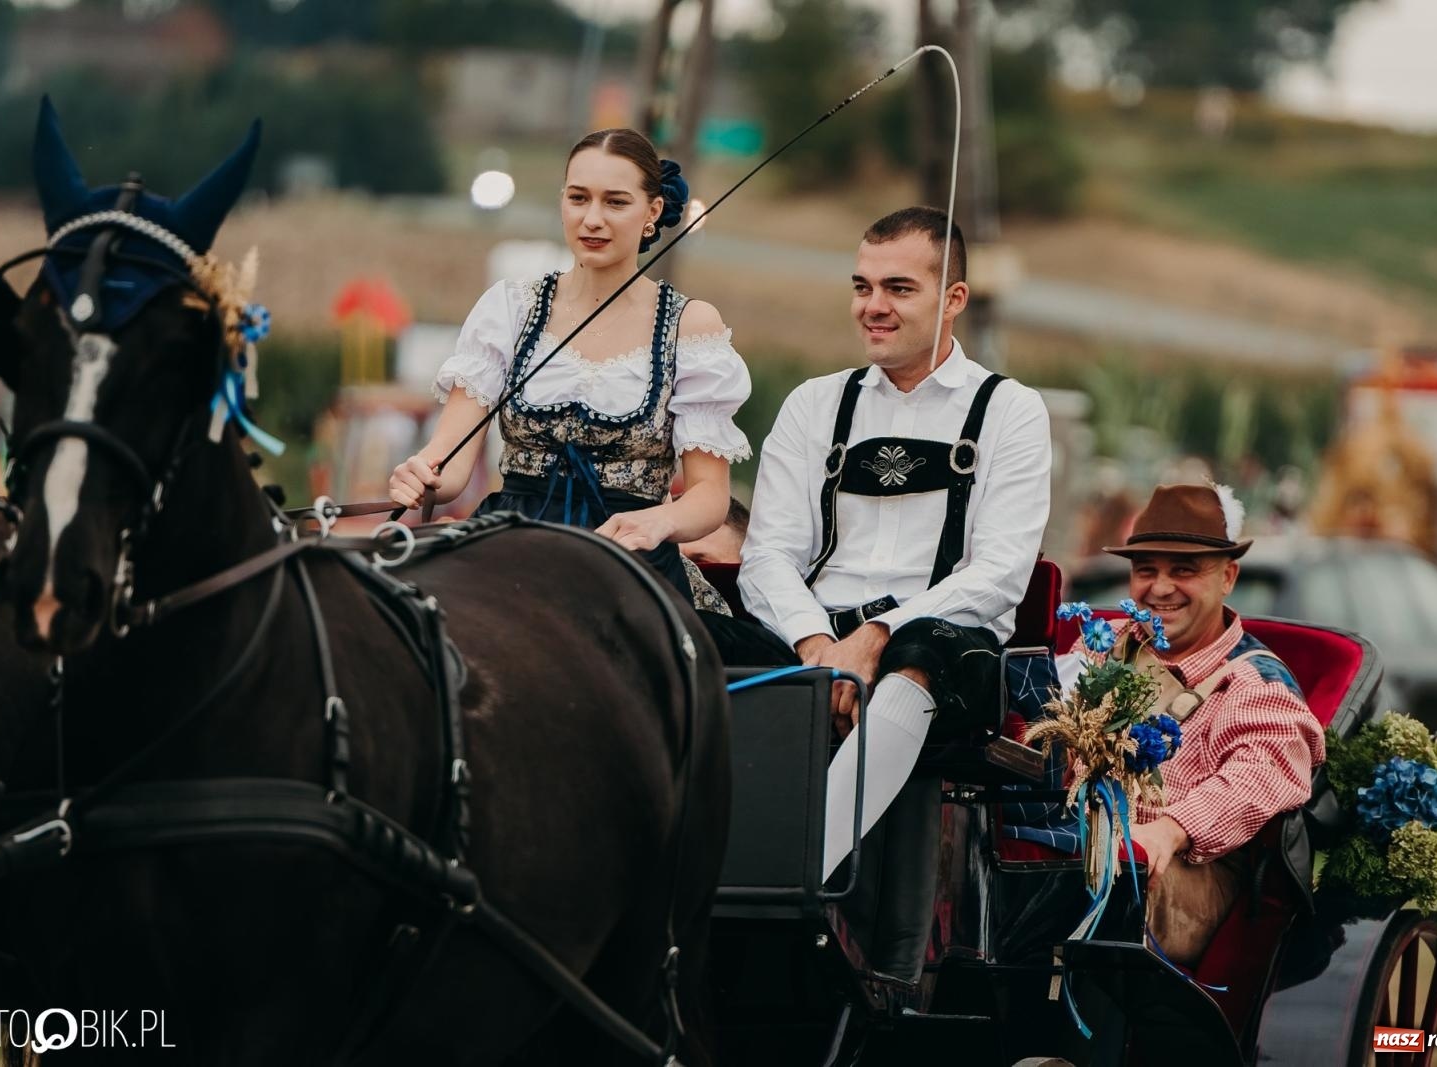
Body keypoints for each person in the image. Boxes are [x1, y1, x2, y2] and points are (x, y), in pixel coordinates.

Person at [701, 206, 1053, 979]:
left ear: (953, 298)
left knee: (920, 653)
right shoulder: (814, 404)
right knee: (690, 633)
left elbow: (998, 574)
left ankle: (798, 870)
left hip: (946, 646)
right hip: (815, 638)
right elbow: (765, 559)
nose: (873, 305)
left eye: (899, 287)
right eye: (862, 286)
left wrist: (880, 636)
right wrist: (818, 646)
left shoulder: (1010, 410)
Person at [388, 129, 752, 601]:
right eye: (578, 198)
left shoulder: (690, 325)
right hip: (511, 544)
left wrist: (657, 520)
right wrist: (421, 475)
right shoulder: (509, 309)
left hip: (627, 558)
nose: (592, 219)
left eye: (616, 202)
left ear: (653, 212)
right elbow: (449, 465)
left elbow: (708, 497)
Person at [1088, 482, 1325, 965]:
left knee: (1109, 879)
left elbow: (1258, 777)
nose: (1160, 587)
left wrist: (1167, 832)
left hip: (1183, 881)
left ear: (1228, 577)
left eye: (1184, 570)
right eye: (1145, 569)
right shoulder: (1100, 646)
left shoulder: (1256, 683)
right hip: (1078, 850)